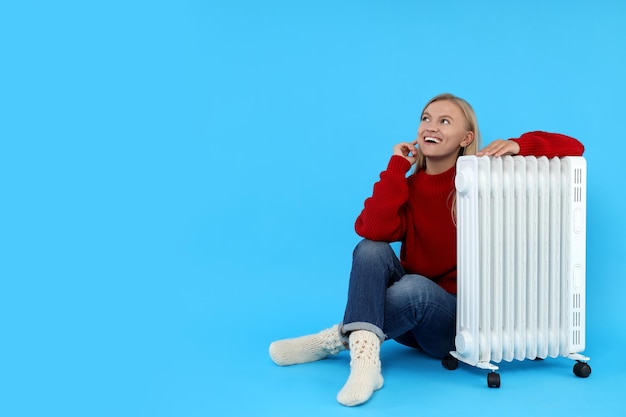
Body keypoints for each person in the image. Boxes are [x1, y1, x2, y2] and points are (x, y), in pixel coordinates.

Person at [268, 93, 585, 407]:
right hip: (406, 322)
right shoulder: (409, 188)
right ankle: (365, 360)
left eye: (445, 121)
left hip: (453, 328)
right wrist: (396, 167)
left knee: (413, 287)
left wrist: (520, 146)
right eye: (426, 119)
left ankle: (333, 340)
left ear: (466, 137)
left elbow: (575, 147)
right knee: (369, 249)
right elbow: (370, 229)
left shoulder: (484, 179)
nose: (431, 127)